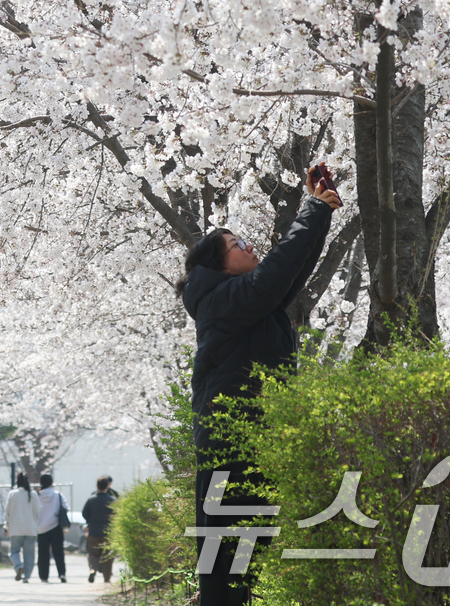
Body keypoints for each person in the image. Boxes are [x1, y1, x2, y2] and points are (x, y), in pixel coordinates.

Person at [179, 169, 342, 606]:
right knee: (227, 558)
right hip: (230, 443)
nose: (249, 247)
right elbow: (274, 276)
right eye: (237, 245)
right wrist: (310, 211)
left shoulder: (243, 301)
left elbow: (289, 274)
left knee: (245, 555)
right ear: (218, 264)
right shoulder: (221, 301)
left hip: (255, 438)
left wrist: (320, 210)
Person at [3, 472, 40, 582]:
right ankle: (26, 577)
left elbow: (7, 512)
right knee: (29, 555)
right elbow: (38, 510)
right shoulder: (33, 494)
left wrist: (7, 526)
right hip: (30, 529)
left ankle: (19, 567)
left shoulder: (12, 494)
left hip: (15, 529)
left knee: (14, 551)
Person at [81, 476, 119, 583]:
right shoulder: (113, 500)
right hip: (108, 532)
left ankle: (93, 569)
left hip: (93, 531)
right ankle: (107, 578)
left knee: (92, 553)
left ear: (97, 486)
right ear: (108, 486)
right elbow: (117, 515)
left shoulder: (91, 499)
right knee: (108, 556)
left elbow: (84, 514)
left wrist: (91, 521)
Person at [34, 473, 68, 583]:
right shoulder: (57, 495)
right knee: (58, 552)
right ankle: (61, 573)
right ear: (51, 483)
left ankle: (44, 576)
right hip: (56, 526)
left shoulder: (36, 495)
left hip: (40, 528)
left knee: (43, 553)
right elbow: (66, 508)